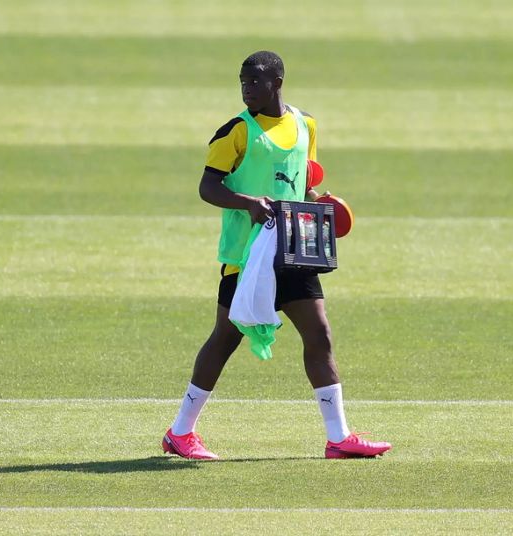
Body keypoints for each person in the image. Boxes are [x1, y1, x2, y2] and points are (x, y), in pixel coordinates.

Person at [161, 51, 391, 460]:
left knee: (319, 335)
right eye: (243, 82)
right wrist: (247, 202)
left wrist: (318, 200)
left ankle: (338, 437)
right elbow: (208, 187)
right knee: (225, 339)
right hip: (248, 256)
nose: (247, 89)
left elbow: (304, 181)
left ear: (277, 83)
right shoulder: (236, 131)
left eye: (255, 82)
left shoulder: (306, 125)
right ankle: (180, 433)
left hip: (295, 249)